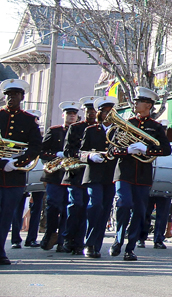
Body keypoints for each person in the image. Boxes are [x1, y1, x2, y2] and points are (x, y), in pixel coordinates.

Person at [109, 87, 172, 262]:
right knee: (124, 203)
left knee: (139, 210)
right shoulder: (126, 123)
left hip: (143, 175)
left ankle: (130, 248)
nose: (135, 104)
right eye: (136, 101)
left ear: (149, 105)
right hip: (123, 172)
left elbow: (166, 149)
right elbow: (112, 149)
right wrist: (127, 150)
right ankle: (118, 238)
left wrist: (149, 149)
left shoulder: (156, 127)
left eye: (140, 101)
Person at [0, 80, 41, 266]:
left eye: (15, 95)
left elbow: (35, 147)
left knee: (6, 216)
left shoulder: (29, 120)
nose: (10, 99)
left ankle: (0, 250)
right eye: (8, 95)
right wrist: (2, 162)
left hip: (15, 176)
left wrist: (16, 162)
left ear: (22, 97)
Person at [39, 101, 80, 251]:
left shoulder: (78, 131)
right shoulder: (54, 131)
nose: (71, 117)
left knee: (66, 208)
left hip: (70, 174)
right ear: (63, 115)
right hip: (54, 175)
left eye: (74, 114)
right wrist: (56, 154)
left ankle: (62, 240)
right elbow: (41, 151)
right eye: (69, 114)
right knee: (53, 205)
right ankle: (50, 234)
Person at [81, 96, 119, 258]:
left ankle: (95, 245)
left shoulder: (119, 131)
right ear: (100, 114)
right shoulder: (91, 130)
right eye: (105, 112)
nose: (108, 115)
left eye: (111, 112)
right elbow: (80, 152)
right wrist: (90, 155)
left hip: (110, 175)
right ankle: (89, 242)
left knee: (104, 210)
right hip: (93, 175)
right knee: (95, 206)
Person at [60, 96, 97, 255]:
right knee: (76, 206)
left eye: (93, 110)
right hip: (76, 173)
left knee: (87, 208)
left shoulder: (99, 129)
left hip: (92, 174)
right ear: (84, 111)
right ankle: (68, 237)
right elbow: (68, 151)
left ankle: (80, 241)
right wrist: (86, 155)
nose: (91, 113)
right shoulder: (75, 128)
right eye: (88, 110)